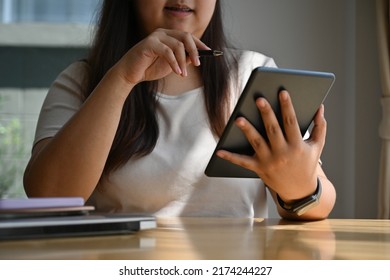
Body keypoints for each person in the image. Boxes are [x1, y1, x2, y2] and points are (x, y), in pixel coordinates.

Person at [23, 0, 336, 220]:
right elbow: (49, 197)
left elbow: (323, 200)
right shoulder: (83, 81)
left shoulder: (252, 73)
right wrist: (121, 79)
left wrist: (299, 188)